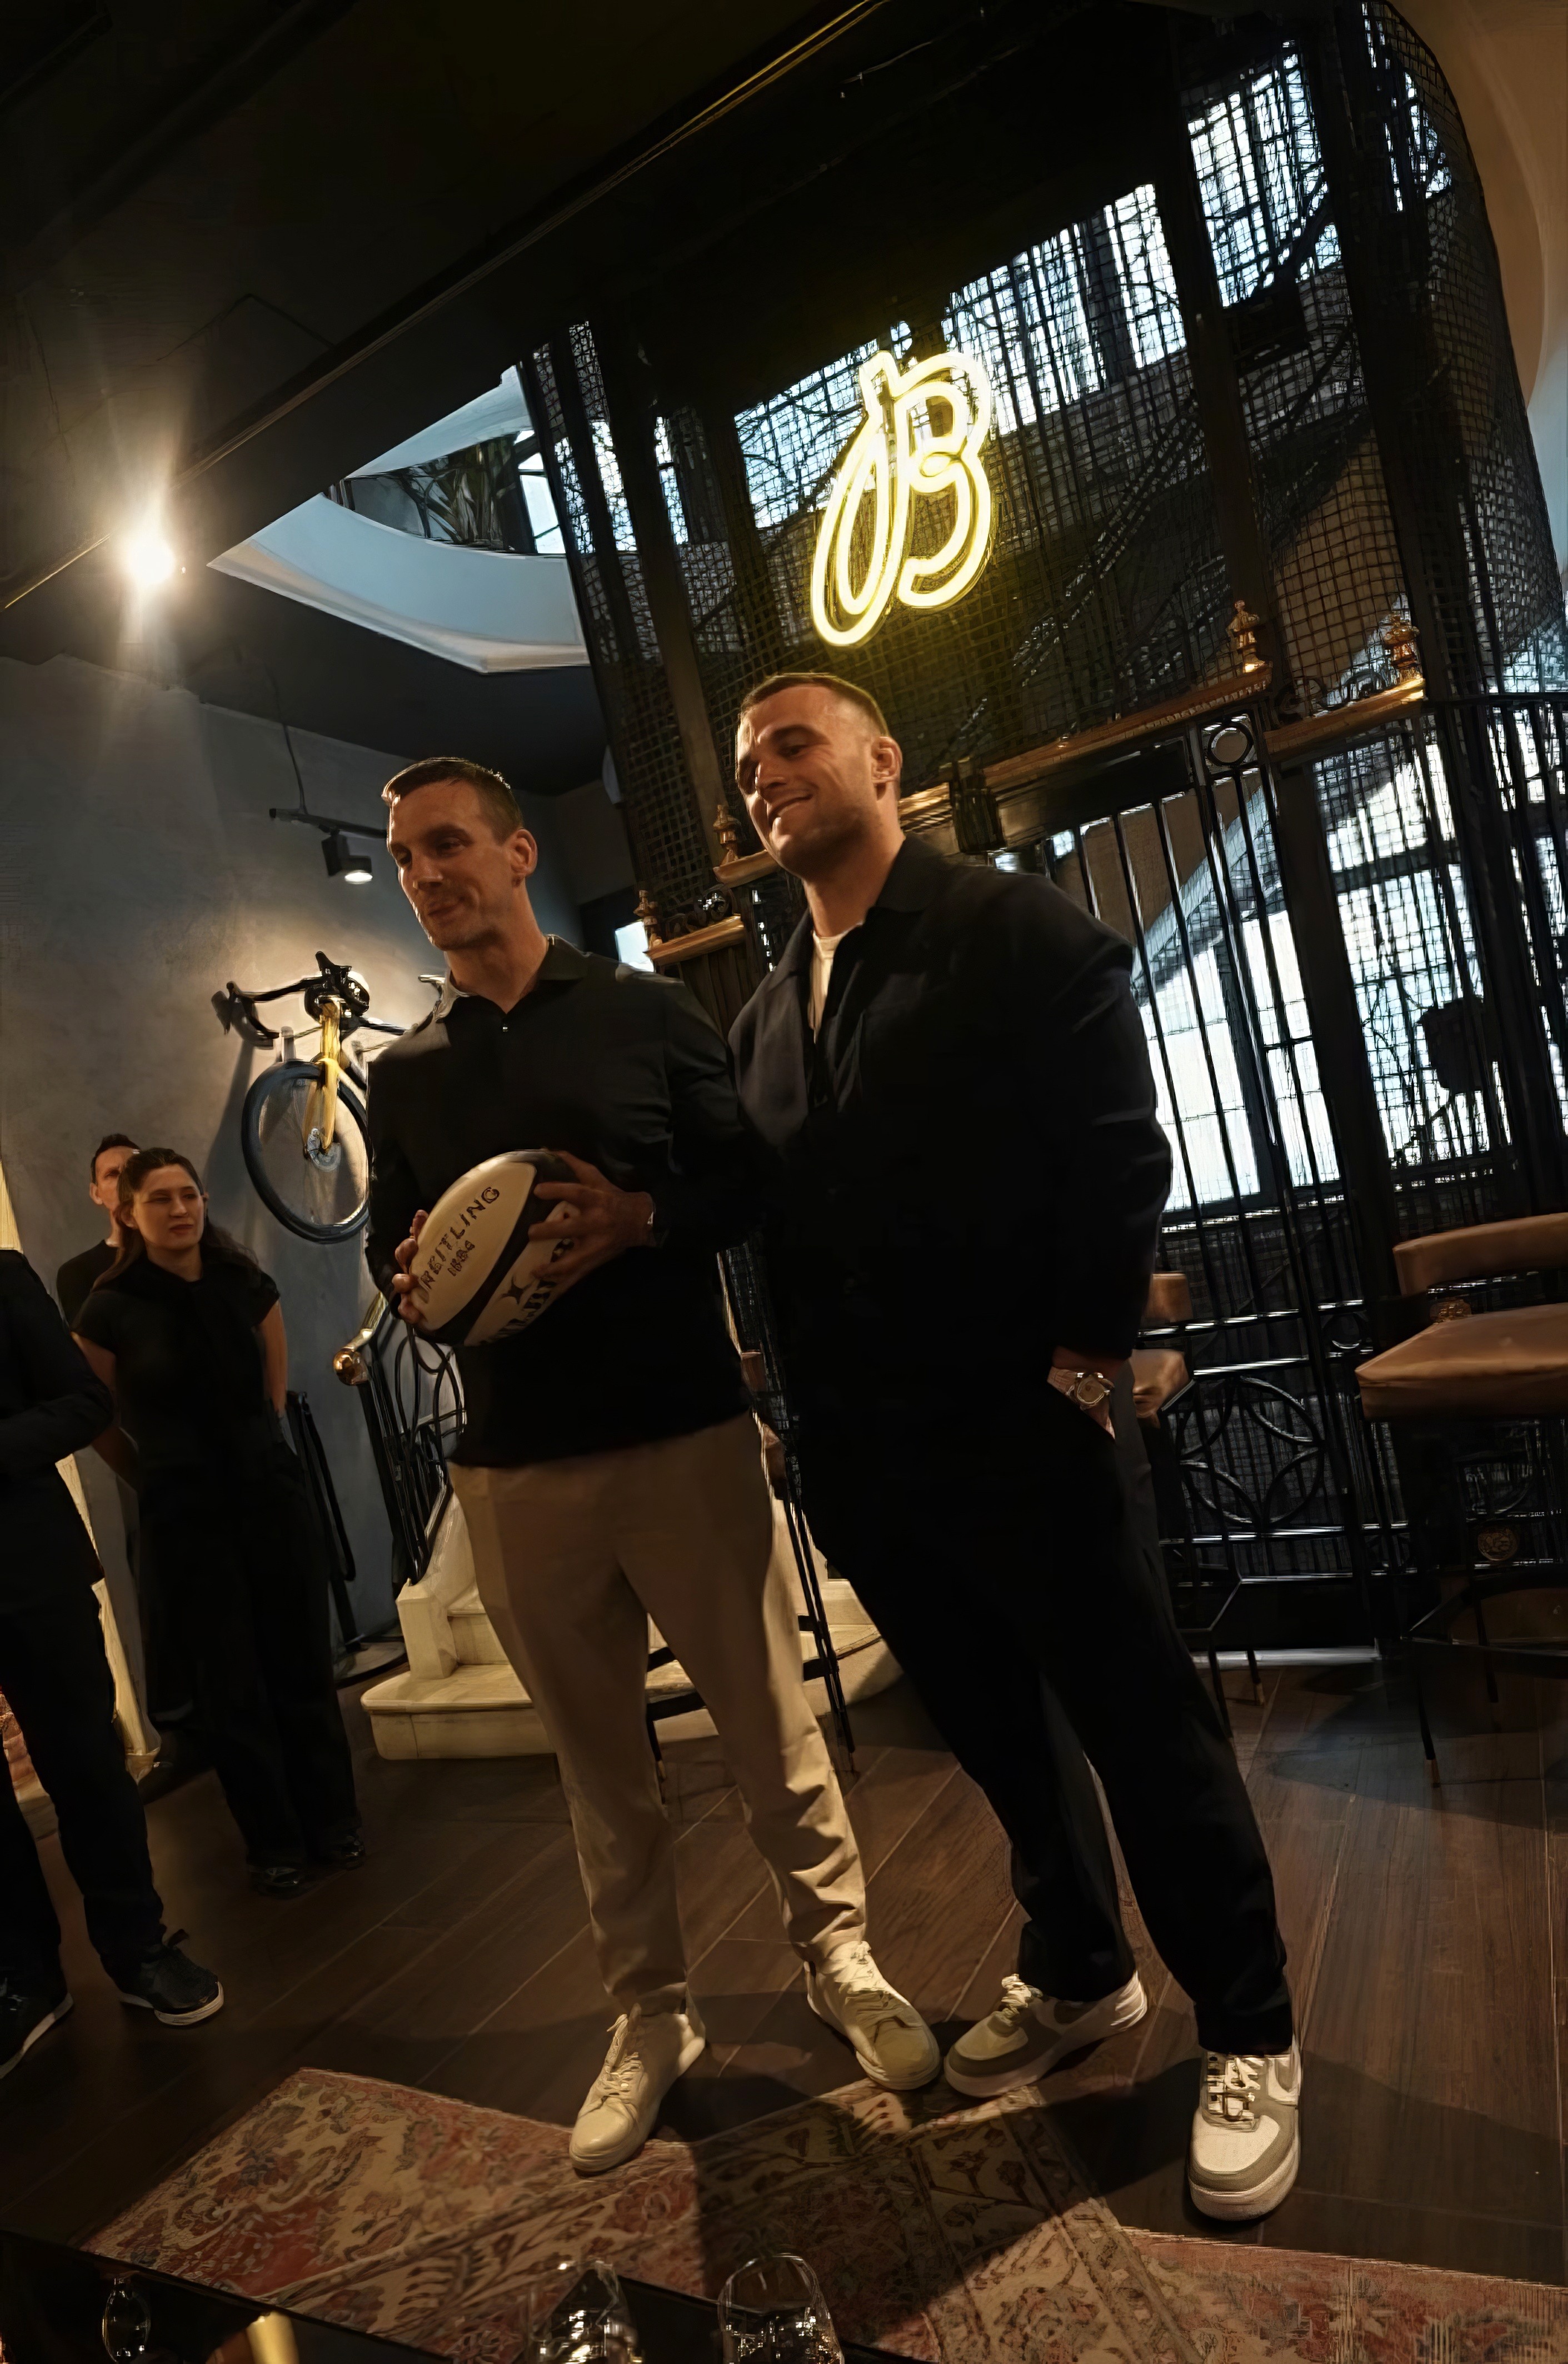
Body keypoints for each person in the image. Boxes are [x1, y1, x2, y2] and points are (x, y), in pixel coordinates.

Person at [728, 674, 1300, 2225]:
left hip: (1022, 1420)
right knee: (994, 1732)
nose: (763, 775)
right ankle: (1077, 1964)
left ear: (877, 758)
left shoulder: (1008, 926)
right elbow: (774, 1224)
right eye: (744, 763)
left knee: (1139, 1724)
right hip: (870, 1454)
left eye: (790, 741)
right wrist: (793, 1411)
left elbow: (1117, 1140)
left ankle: (1247, 2028)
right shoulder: (770, 1007)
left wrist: (1085, 1350)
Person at [365, 755, 937, 2176]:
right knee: (600, 1769)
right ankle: (651, 2013)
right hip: (513, 1467)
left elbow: (750, 1184)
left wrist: (644, 1217)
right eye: (402, 859)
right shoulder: (406, 1071)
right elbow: (405, 1249)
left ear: (513, 854)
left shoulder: (644, 1011)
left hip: (680, 1431)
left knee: (764, 1725)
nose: (425, 875)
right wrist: (409, 1279)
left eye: (447, 846)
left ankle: (840, 1958)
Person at [73, 1151, 363, 1899]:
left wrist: (259, 1451)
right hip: (184, 1511)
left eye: (189, 1195)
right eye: (161, 1199)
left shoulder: (244, 1281)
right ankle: (274, 1842)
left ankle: (335, 1821)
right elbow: (94, 1414)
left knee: (301, 1658)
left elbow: (270, 1387)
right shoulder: (110, 1305)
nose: (180, 1209)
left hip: (267, 1491)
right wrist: (149, 1475)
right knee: (231, 1682)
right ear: (129, 1213)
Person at [0, 1248, 221, 2074]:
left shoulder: (5, 1278)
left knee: (88, 1769)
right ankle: (26, 1978)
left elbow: (83, 1399)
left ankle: (138, 1950)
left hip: (31, 1571)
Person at [57, 1135, 140, 1329]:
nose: (127, 1179)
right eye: (112, 1174)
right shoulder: (77, 1272)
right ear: (97, 1193)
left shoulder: (182, 1254)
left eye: (135, 1169)